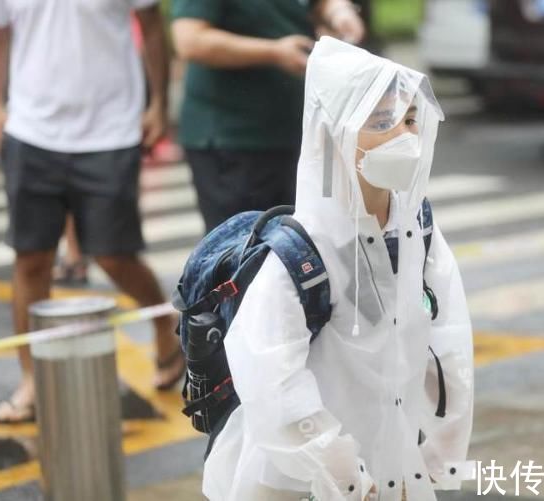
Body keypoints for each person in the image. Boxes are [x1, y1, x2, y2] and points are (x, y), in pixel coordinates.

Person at [202, 37, 474, 501]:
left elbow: (447, 345)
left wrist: (438, 456)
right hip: (297, 484)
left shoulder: (419, 233)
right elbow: (274, 380)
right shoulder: (297, 254)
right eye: (382, 122)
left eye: (410, 119)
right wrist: (344, 474)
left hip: (393, 472)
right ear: (337, 133)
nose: (404, 136)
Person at [0, 0, 185, 423]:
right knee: (31, 258)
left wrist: (158, 103)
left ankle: (165, 324)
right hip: (30, 130)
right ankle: (32, 377)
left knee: (113, 254)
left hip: (111, 129)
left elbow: (151, 23)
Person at [171, 0, 365, 233]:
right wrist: (274, 52)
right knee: (247, 254)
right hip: (235, 140)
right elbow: (190, 40)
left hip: (298, 134)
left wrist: (339, 12)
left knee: (305, 248)